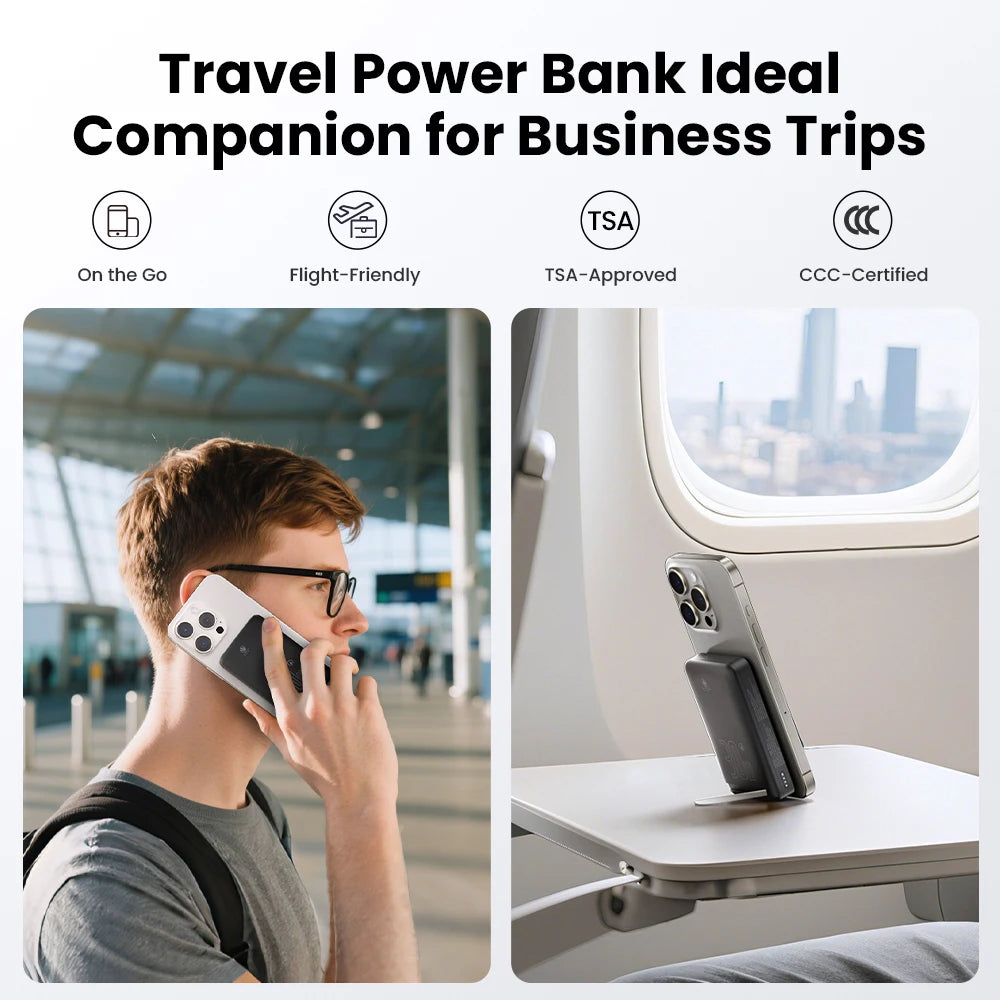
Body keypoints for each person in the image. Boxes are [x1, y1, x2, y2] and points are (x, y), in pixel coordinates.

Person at [23, 438, 419, 983]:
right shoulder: (107, 887)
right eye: (321, 586)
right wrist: (361, 807)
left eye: (344, 586)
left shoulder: (254, 805)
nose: (354, 618)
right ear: (209, 605)